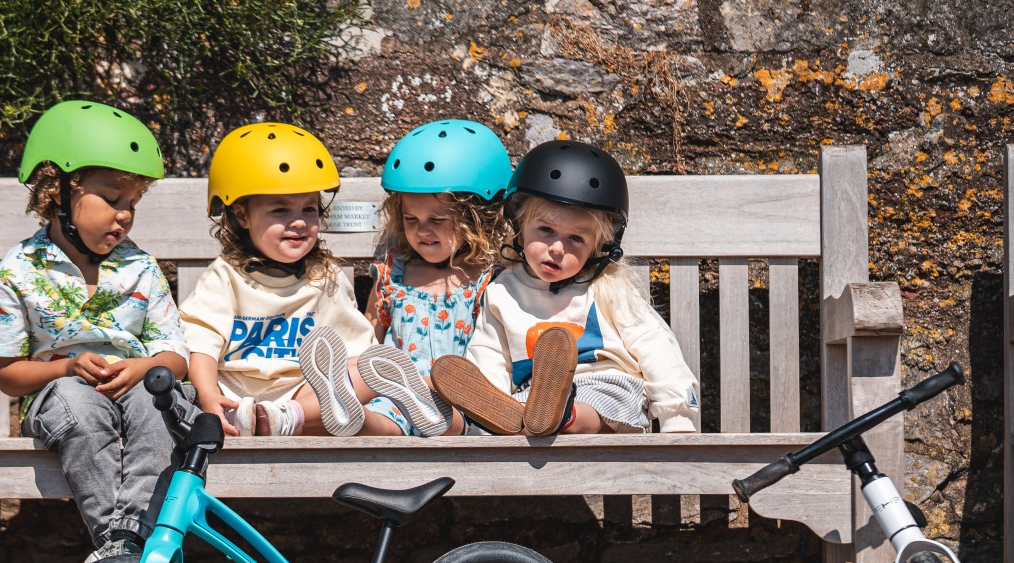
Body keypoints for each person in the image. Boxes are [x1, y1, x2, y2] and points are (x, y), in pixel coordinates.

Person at [0, 99, 193, 563]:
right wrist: (66, 366)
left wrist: (145, 366)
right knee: (77, 403)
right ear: (57, 192)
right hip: (58, 395)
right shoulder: (18, 270)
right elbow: (7, 376)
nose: (125, 214)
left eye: (132, 204)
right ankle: (122, 548)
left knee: (160, 400)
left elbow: (177, 360)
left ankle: (128, 538)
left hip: (137, 388)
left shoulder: (141, 268)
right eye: (112, 199)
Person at [181, 122, 442, 437]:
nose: (299, 222)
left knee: (369, 367)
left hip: (305, 394)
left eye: (309, 208)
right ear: (241, 215)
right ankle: (274, 419)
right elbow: (201, 346)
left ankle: (288, 417)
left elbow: (356, 349)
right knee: (337, 396)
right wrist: (210, 398)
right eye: (280, 210)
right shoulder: (225, 276)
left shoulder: (324, 277)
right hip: (237, 399)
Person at [430, 139, 700, 436]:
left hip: (607, 387)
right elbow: (489, 351)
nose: (557, 248)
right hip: (534, 397)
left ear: (599, 246)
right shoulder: (502, 292)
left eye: (576, 239)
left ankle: (564, 416)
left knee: (590, 403)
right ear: (520, 227)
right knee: (519, 412)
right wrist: (491, 401)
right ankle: (519, 418)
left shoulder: (608, 288)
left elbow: (656, 346)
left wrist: (677, 416)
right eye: (546, 230)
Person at [360, 119, 509, 437]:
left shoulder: (490, 282)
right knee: (383, 413)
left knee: (449, 414)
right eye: (411, 219)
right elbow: (369, 337)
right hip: (396, 402)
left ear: (476, 217)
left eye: (438, 219)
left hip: (462, 403)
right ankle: (355, 420)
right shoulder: (392, 277)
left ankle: (425, 409)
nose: (422, 230)